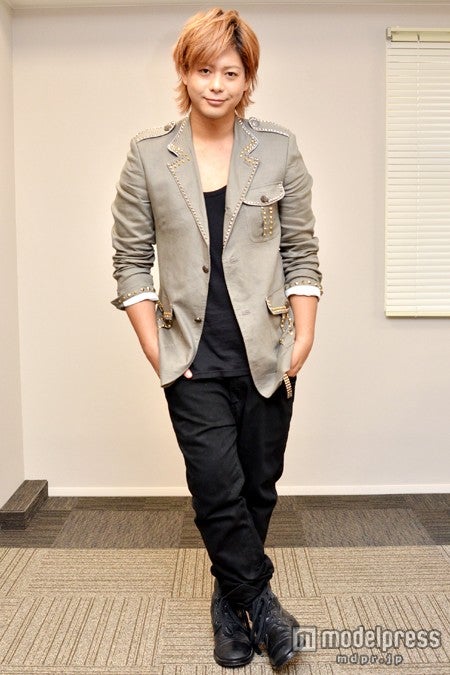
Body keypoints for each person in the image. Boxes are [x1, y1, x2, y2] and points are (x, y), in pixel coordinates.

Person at [111, 7, 322, 669]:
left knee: (258, 488)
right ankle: (264, 607)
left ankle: (229, 606)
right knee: (216, 491)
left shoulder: (278, 150)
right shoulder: (149, 155)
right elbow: (130, 261)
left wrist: (303, 341)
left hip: (268, 354)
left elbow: (302, 250)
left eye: (230, 72)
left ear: (247, 78)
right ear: (184, 71)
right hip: (191, 359)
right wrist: (158, 352)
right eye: (204, 70)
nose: (216, 84)